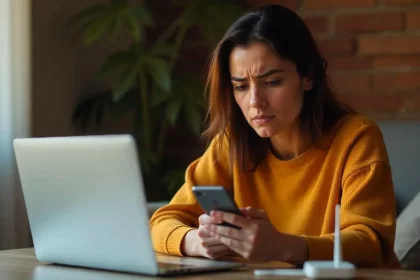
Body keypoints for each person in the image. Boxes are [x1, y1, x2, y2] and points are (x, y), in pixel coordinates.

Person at [149, 4, 400, 269]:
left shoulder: (357, 139)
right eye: (242, 87)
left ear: (308, 76)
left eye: (272, 82)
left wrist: (282, 246)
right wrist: (198, 242)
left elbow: (372, 244)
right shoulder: (232, 143)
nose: (255, 102)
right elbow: (162, 222)